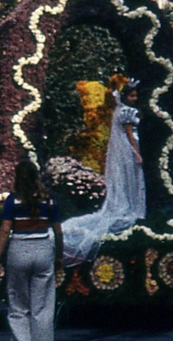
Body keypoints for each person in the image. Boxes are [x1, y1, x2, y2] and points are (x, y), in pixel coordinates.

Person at [60, 80, 146, 263]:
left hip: (130, 146)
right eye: (132, 95)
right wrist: (137, 153)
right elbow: (130, 134)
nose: (135, 98)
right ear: (125, 96)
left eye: (136, 95)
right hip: (130, 148)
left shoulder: (121, 110)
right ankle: (132, 206)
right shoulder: (126, 112)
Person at [0, 161, 63, 341]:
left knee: (18, 304)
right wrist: (59, 257)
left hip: (18, 251)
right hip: (42, 250)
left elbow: (5, 231)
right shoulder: (48, 200)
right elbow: (58, 232)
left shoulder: (12, 201)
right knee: (42, 309)